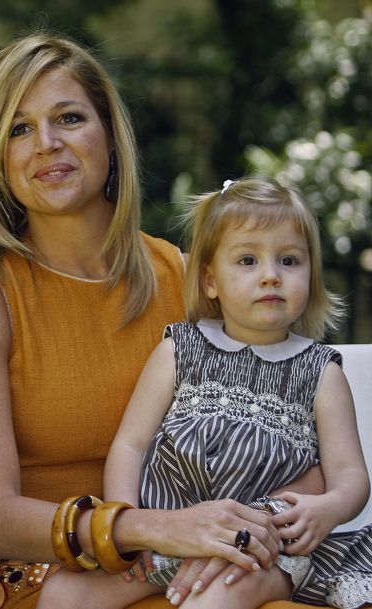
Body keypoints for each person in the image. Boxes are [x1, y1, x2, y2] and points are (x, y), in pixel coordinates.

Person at [0, 32, 304, 609]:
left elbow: (282, 427)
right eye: (19, 128)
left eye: (69, 118)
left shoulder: (182, 277)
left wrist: (241, 529)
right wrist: (144, 528)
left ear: (109, 136)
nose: (47, 144)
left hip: (196, 569)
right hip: (48, 584)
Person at [41, 177, 372, 608]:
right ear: (211, 281)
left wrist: (327, 508)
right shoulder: (179, 349)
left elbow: (350, 474)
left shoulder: (320, 371)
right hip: (169, 537)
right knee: (64, 596)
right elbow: (130, 444)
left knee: (212, 600)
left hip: (264, 552)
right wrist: (128, 521)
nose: (271, 276)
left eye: (289, 261)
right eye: (249, 260)